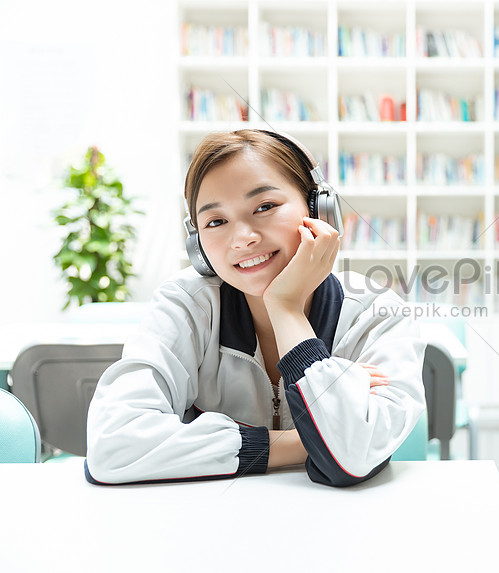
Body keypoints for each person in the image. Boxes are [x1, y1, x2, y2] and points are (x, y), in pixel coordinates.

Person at [85, 129, 427, 486]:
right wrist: (301, 443)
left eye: (265, 207)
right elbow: (112, 445)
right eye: (216, 221)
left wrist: (286, 307)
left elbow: (350, 461)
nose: (242, 238)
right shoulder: (187, 305)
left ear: (319, 211)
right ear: (197, 243)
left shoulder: (378, 316)